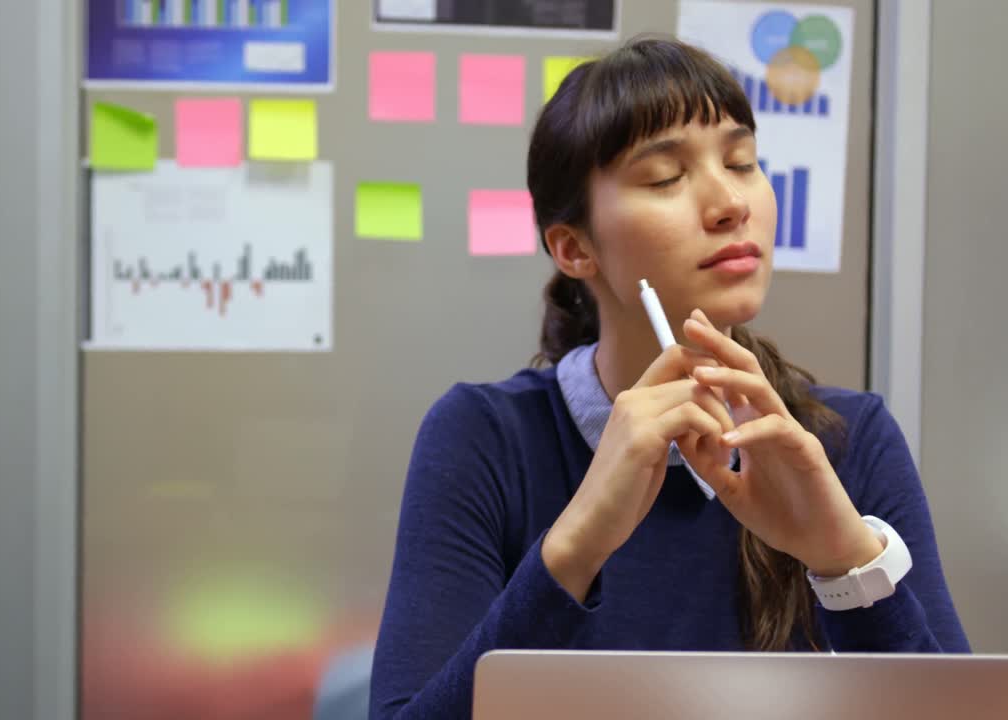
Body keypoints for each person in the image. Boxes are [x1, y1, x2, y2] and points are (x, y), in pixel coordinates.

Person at [368, 36, 969, 720]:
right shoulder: (484, 437)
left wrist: (844, 562)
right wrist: (581, 539)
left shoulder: (847, 439)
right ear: (574, 247)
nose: (730, 204)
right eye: (665, 177)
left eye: (743, 163)